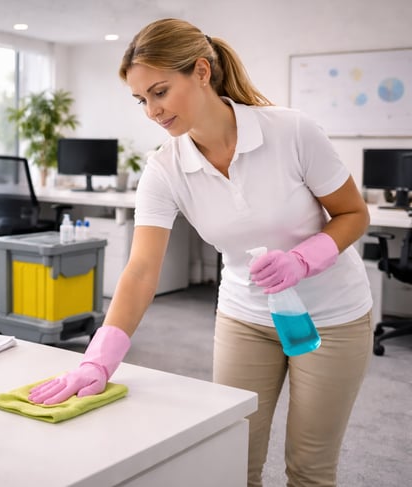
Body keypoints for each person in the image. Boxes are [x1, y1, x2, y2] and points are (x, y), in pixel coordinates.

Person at [28, 18, 373, 487]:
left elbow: (353, 213)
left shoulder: (291, 131)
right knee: (231, 459)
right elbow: (141, 269)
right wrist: (99, 358)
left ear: (202, 72)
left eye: (160, 92)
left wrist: (303, 258)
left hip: (332, 316)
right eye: (141, 99)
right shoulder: (165, 167)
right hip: (245, 316)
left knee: (309, 469)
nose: (152, 111)